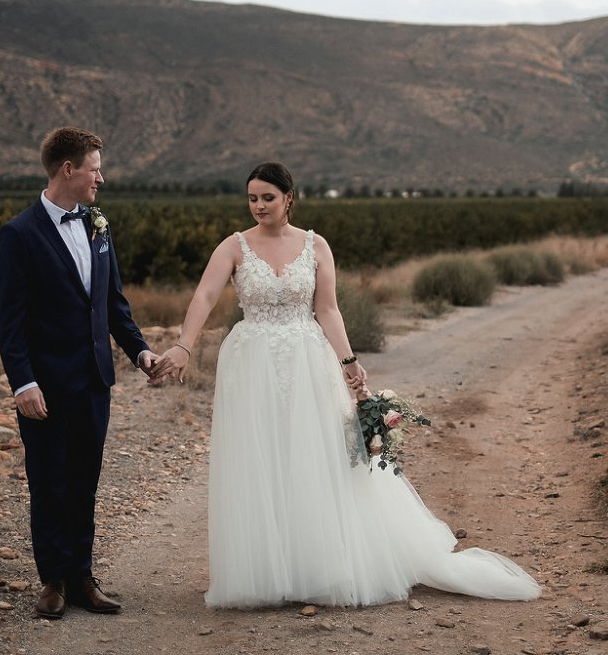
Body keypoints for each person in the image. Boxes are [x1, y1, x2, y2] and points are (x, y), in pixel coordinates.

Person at [152, 162, 541, 608]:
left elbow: (328, 309)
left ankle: (317, 565)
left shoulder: (315, 246)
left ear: (289, 198)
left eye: (268, 198)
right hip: (251, 362)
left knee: (315, 457)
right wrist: (184, 345)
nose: (258, 206)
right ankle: (267, 569)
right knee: (261, 458)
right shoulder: (234, 246)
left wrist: (349, 362)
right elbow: (204, 295)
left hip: (307, 359)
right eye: (252, 198)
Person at [0, 126, 157, 619]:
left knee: (85, 481)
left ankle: (83, 576)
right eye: (94, 169)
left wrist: (140, 352)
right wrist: (23, 383)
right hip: (45, 386)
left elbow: (112, 304)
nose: (100, 178)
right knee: (49, 483)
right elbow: (9, 320)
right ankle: (53, 580)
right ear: (68, 169)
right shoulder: (19, 234)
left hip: (93, 381)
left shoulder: (98, 226)